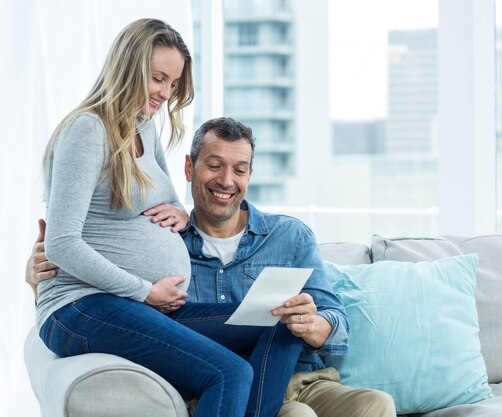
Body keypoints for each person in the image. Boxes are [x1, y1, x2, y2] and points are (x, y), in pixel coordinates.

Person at [28, 116, 396, 417]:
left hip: (301, 379)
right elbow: (113, 310)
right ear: (189, 168)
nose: (226, 181)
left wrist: (316, 324)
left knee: (376, 403)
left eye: (239, 169)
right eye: (214, 165)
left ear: (250, 175)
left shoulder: (290, 236)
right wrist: (40, 282)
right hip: (218, 385)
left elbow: (335, 319)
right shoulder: (164, 237)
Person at [36, 18, 302, 417]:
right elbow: (61, 244)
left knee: (281, 321)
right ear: (127, 69)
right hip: (83, 307)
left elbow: (168, 197)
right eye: (157, 78)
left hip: (136, 308)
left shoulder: (143, 126)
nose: (165, 92)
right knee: (228, 372)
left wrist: (178, 211)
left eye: (173, 83)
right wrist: (144, 290)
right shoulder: (89, 130)